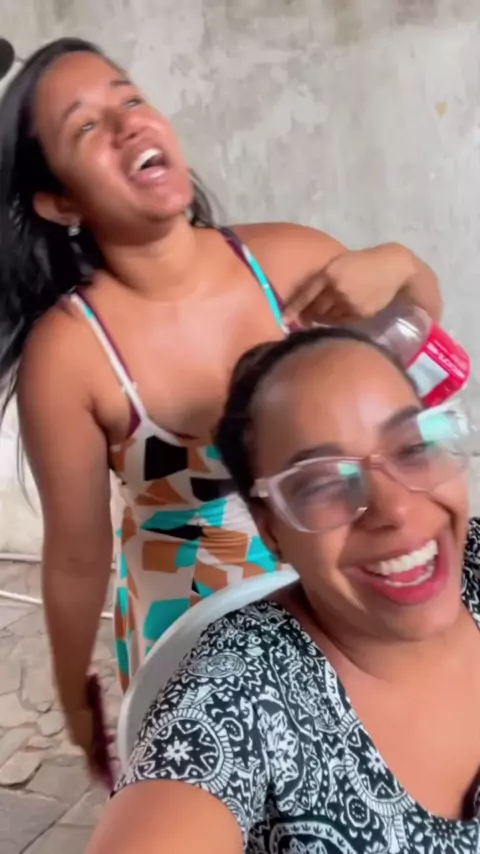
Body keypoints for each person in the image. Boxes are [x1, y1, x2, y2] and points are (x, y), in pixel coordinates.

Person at [0, 36, 441, 770]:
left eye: (131, 98)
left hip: (333, 585)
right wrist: (75, 692)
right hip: (192, 626)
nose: (128, 124)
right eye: (87, 126)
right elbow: (77, 556)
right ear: (60, 201)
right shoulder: (72, 355)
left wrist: (405, 265)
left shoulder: (293, 261)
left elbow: (414, 355)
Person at [87, 327, 480, 854]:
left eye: (412, 448)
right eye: (322, 484)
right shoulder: (239, 694)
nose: (395, 509)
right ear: (269, 526)